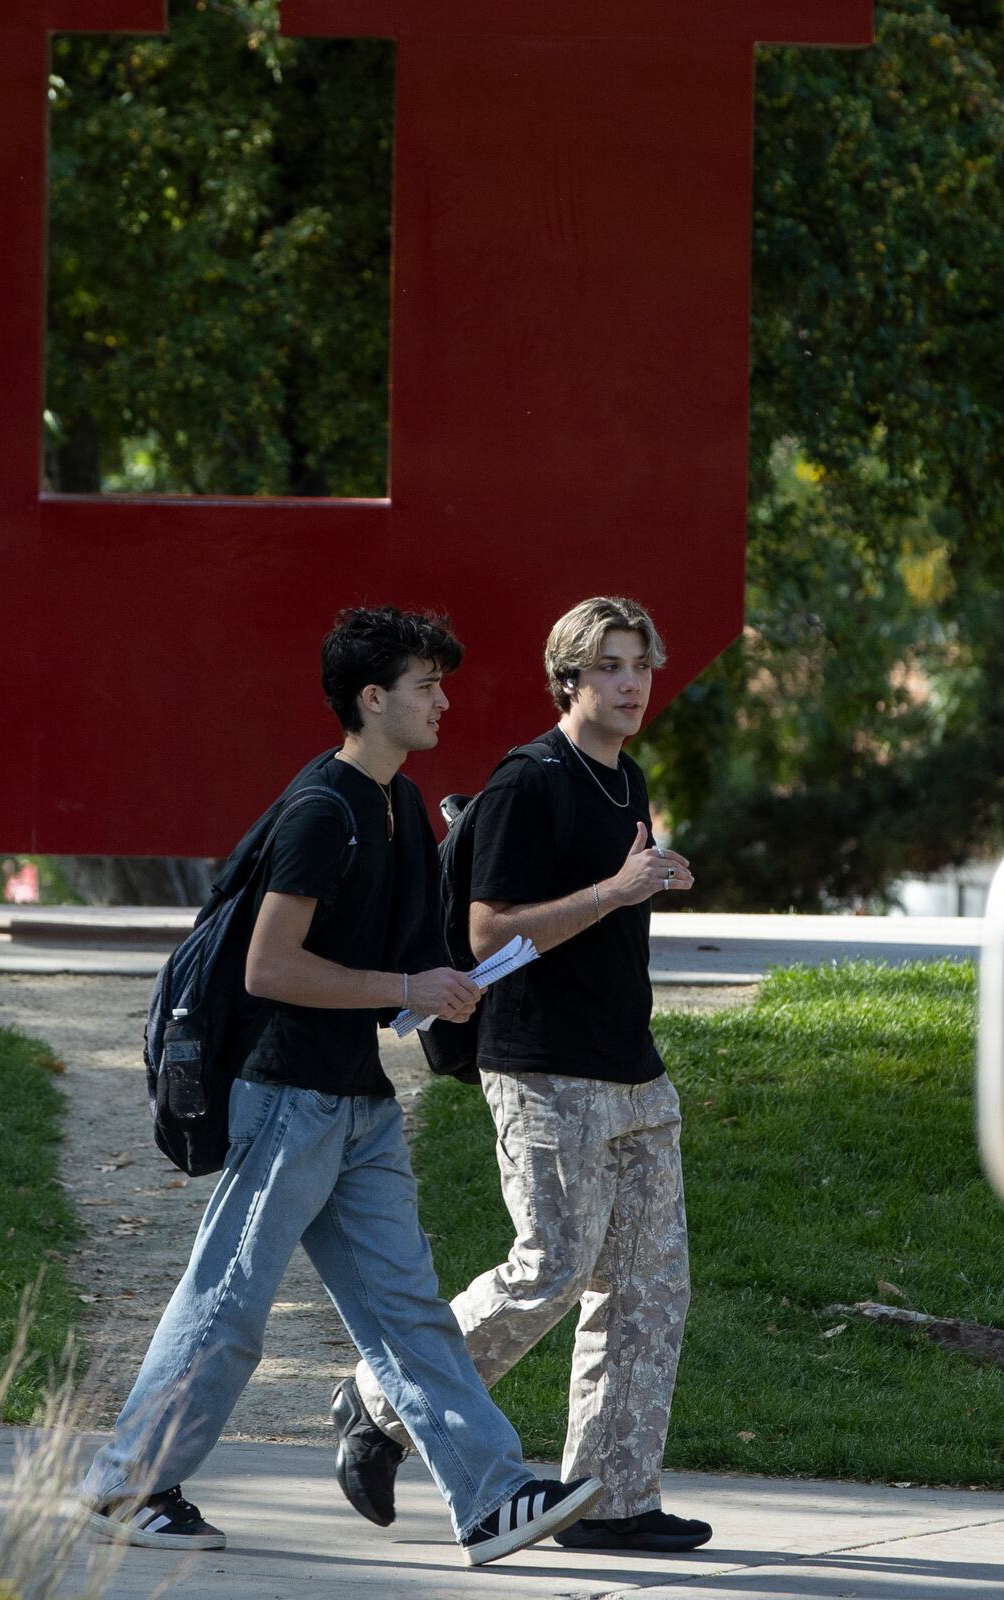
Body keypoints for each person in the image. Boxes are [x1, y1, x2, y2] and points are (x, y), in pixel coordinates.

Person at [79, 605, 599, 1565]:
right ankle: (128, 1483)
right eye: (424, 685)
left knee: (408, 1315)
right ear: (373, 699)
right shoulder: (324, 811)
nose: (443, 700)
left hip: (357, 1101)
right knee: (230, 1303)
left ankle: (491, 1500)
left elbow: (394, 958)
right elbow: (270, 968)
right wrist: (406, 987)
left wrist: (446, 985)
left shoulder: (400, 806)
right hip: (286, 1098)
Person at [331, 595, 710, 1553]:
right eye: (611, 667)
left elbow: (605, 915)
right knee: (551, 1269)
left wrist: (651, 879)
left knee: (647, 1287)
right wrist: (618, 889)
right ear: (569, 679)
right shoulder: (526, 783)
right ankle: (377, 1400)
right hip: (544, 1069)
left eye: (641, 666)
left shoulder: (628, 780)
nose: (632, 684)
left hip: (632, 1066)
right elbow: (489, 932)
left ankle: (614, 1501)